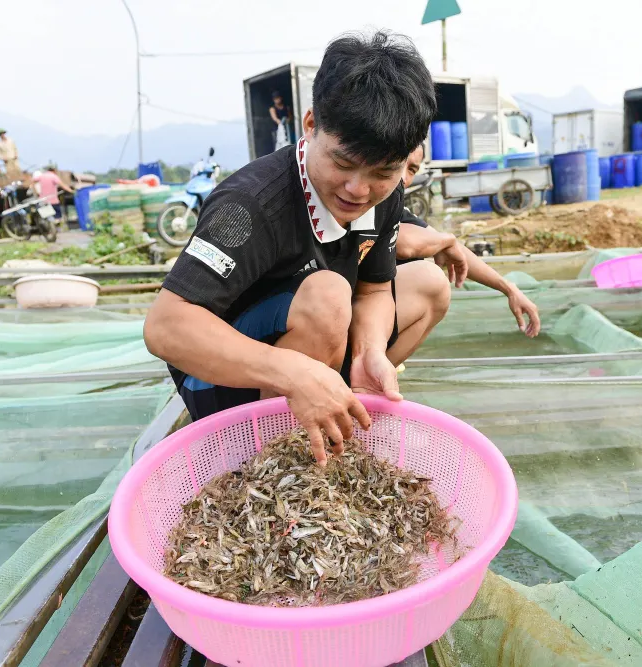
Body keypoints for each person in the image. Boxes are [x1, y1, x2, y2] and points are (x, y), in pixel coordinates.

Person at [144, 31, 438, 465]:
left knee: (427, 284)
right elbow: (166, 327)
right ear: (310, 124)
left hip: (308, 346)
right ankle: (273, 455)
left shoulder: (384, 194)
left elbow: (376, 289)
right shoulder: (249, 206)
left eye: (383, 171)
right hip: (221, 379)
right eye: (341, 163)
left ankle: (335, 395)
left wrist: (369, 350)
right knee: (328, 294)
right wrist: (291, 373)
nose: (358, 189)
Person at [395, 144, 541, 336]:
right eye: (398, 163)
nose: (404, 178)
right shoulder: (364, 199)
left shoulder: (395, 208)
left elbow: (449, 247)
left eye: (412, 169)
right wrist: (447, 241)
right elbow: (404, 245)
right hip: (354, 311)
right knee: (430, 279)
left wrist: (509, 289)